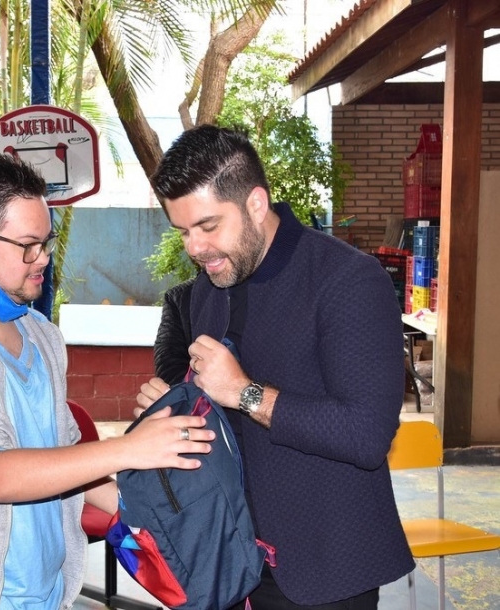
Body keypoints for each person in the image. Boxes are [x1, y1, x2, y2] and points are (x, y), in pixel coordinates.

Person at [0, 155, 215, 609]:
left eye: (46, 242)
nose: (42, 258)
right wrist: (132, 448)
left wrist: (146, 511)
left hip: (43, 595)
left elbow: (62, 462)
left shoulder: (40, 335)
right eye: (28, 244)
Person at [137, 125, 414, 609]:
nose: (194, 248)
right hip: (228, 559)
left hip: (323, 571)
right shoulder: (208, 287)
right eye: (182, 231)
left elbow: (367, 435)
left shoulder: (347, 280)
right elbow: (225, 426)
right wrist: (177, 411)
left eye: (207, 226)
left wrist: (245, 392)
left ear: (256, 205)